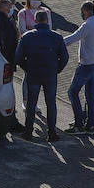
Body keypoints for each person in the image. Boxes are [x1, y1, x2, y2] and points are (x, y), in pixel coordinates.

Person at [15, 9, 68, 141]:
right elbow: (65, 57)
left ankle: (28, 132)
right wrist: (57, 69)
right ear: (47, 20)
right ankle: (52, 133)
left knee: (31, 103)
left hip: (33, 73)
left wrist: (26, 68)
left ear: (35, 20)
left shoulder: (27, 36)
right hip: (50, 74)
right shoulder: (57, 37)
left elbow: (18, 56)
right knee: (51, 103)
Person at [62, 1, 94, 135]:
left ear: (86, 11)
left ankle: (79, 124)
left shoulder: (87, 25)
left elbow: (72, 38)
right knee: (91, 96)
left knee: (72, 92)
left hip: (86, 65)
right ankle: (90, 125)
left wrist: (55, 41)